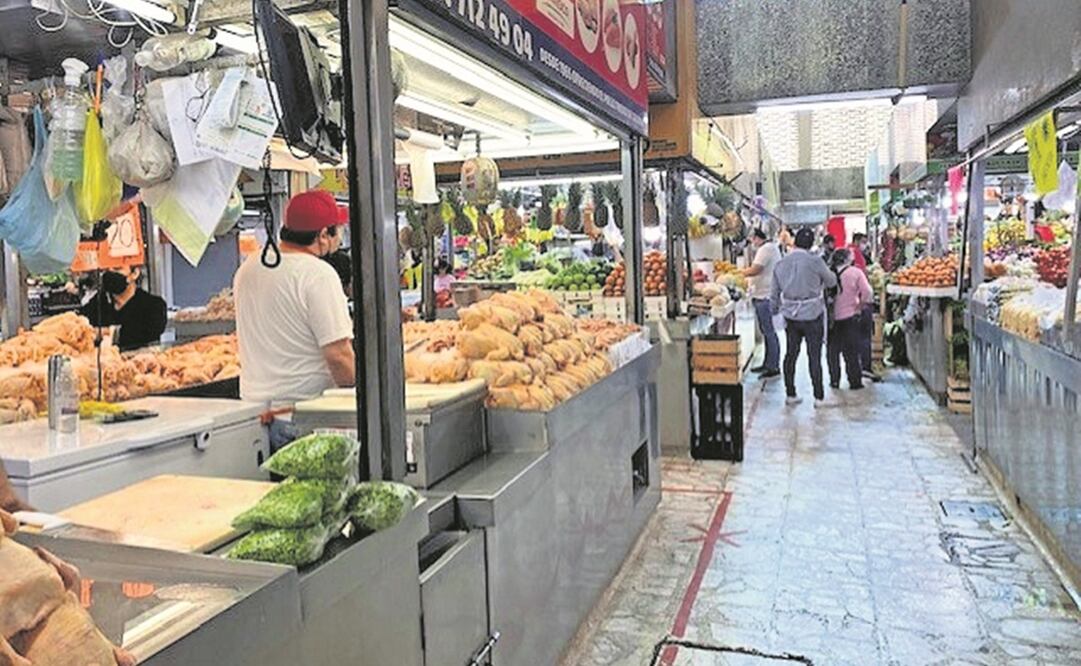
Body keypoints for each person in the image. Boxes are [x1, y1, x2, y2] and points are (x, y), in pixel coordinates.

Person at [234, 190, 356, 449]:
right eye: (338, 231)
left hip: (252, 415)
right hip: (302, 416)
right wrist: (362, 394)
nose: (339, 239)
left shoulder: (248, 268)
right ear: (323, 235)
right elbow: (339, 355)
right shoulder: (318, 274)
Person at [771, 227, 838, 406]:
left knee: (791, 354)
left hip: (791, 316)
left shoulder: (781, 263)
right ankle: (818, 398)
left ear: (795, 242)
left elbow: (774, 293)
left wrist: (775, 311)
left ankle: (790, 394)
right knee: (814, 356)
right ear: (811, 244)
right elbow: (831, 281)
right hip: (812, 315)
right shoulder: (816, 262)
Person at [78, 265, 167, 351]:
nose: (111, 273)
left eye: (117, 269)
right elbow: (78, 326)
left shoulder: (154, 305)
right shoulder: (98, 303)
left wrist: (102, 333)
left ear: (135, 273)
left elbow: (141, 334)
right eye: (106, 269)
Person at [827, 249, 873, 390]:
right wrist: (860, 306)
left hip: (832, 319)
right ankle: (854, 381)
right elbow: (868, 293)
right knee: (851, 351)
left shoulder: (829, 273)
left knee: (832, 352)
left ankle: (834, 380)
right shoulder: (855, 272)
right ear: (848, 259)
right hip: (850, 316)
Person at [742, 229, 781, 378]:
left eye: (752, 239)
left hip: (765, 296)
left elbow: (757, 269)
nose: (752, 243)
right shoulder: (771, 248)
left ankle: (773, 366)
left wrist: (739, 273)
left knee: (769, 332)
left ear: (757, 238)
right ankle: (768, 363)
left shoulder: (766, 249)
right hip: (764, 295)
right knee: (767, 332)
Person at [848, 232, 881, 382]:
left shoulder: (848, 253)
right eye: (863, 241)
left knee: (853, 338)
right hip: (861, 303)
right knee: (864, 337)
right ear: (856, 241)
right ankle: (865, 367)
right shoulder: (856, 254)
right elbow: (864, 285)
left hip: (849, 306)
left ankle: (856, 368)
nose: (865, 244)